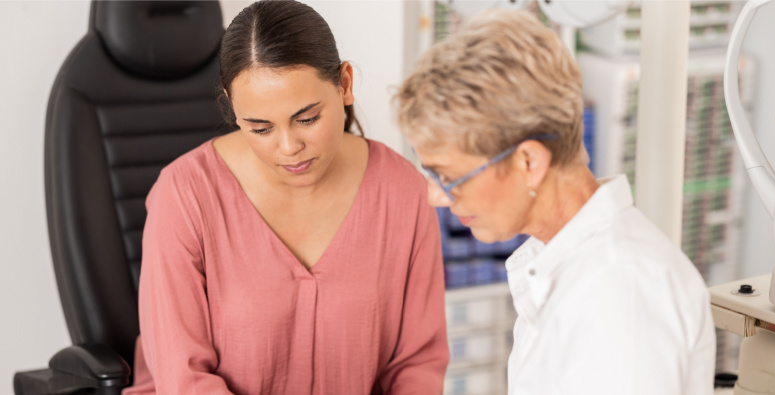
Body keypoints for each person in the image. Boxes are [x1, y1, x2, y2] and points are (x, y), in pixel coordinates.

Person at [123, 1, 448, 394]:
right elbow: (183, 378)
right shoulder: (183, 195)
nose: (289, 147)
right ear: (231, 106)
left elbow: (417, 365)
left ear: (344, 84)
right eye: (260, 128)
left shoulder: (403, 191)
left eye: (307, 119)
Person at [395, 9, 715, 395]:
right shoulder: (567, 266)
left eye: (448, 177)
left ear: (529, 162)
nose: (436, 197)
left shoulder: (617, 292)